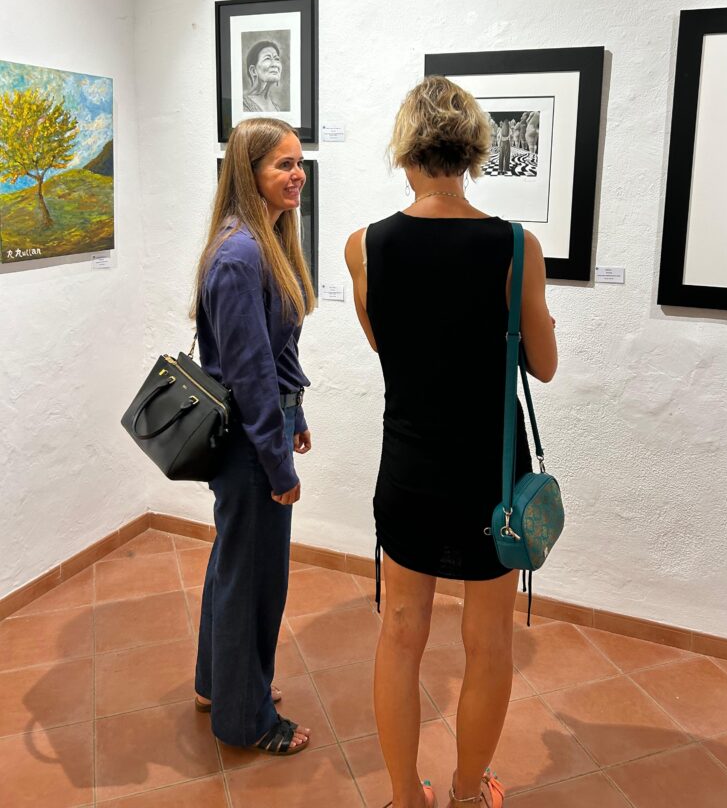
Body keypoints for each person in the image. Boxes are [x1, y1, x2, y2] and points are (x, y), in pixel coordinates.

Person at [345, 77, 557, 808]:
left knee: (400, 636)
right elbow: (545, 364)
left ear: (406, 147)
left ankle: (406, 796)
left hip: (408, 466)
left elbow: (386, 347)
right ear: (472, 150)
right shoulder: (514, 244)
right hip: (490, 473)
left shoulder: (363, 246)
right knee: (488, 642)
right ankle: (468, 793)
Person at [190, 117, 315, 754]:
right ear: (250, 174)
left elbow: (274, 351)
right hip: (247, 443)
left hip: (260, 431)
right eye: (282, 166)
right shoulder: (241, 255)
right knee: (256, 576)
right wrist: (279, 464)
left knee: (234, 563)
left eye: (299, 163)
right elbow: (250, 373)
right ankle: (248, 719)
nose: (297, 176)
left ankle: (221, 682)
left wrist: (298, 417)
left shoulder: (261, 242)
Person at [243, 40, 284, 113]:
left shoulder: (277, 109)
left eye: (277, 59)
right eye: (267, 58)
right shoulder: (243, 105)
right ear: (253, 70)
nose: (275, 64)